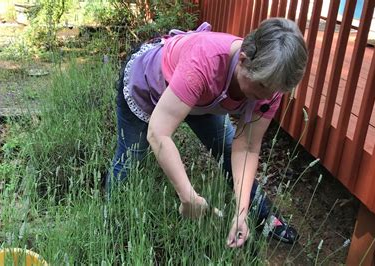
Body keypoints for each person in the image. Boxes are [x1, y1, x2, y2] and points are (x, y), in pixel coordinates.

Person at [106, 18, 308, 247]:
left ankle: (260, 214)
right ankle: (111, 223)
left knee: (228, 148)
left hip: (201, 98)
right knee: (130, 157)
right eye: (261, 87)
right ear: (242, 60)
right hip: (148, 85)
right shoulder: (205, 62)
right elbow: (158, 132)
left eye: (274, 91)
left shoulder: (270, 82)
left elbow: (247, 148)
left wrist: (240, 212)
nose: (266, 98)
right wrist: (188, 195)